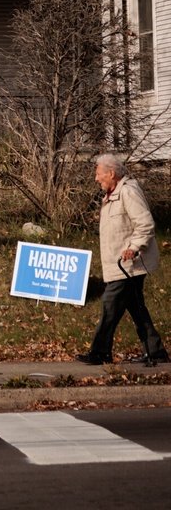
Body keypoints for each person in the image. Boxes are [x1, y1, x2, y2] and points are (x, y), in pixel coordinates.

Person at [76, 154, 168, 366]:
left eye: (98, 174)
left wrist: (134, 247)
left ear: (111, 173)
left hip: (129, 265)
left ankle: (100, 353)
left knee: (109, 305)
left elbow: (145, 224)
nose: (96, 179)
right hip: (119, 266)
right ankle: (155, 351)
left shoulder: (127, 191)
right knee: (136, 307)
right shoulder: (112, 195)